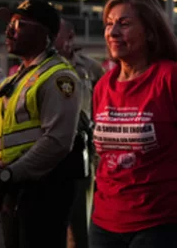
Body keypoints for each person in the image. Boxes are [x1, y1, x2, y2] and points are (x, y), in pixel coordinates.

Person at [90, 0, 177, 247]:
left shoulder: (174, 79)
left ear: (149, 32)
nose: (113, 32)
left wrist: (176, 185)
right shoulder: (103, 86)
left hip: (161, 223)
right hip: (105, 221)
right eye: (109, 24)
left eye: (124, 24)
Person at [0, 0, 83, 248]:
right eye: (9, 24)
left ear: (44, 34)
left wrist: (9, 174)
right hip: (13, 189)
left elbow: (57, 141)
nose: (9, 30)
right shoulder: (12, 81)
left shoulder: (58, 77)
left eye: (19, 24)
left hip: (45, 191)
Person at [55, 18, 106, 248]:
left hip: (81, 158)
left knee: (80, 228)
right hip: (43, 158)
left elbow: (104, 111)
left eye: (54, 33)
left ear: (70, 36)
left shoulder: (91, 69)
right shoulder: (37, 69)